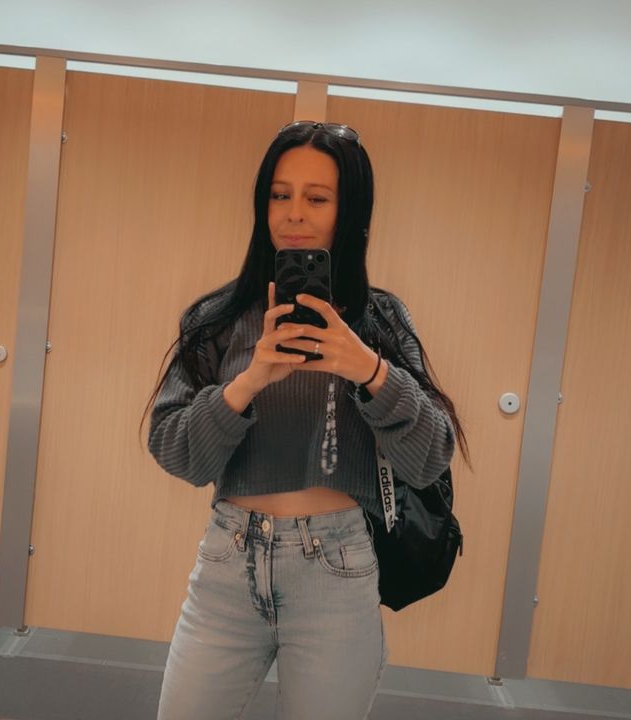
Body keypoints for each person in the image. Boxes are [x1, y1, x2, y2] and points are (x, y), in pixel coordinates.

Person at [142, 121, 468, 720]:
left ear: (351, 213)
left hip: (336, 572)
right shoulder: (216, 318)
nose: (293, 213)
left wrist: (370, 370)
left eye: (317, 198)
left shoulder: (381, 321)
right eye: (279, 194)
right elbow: (175, 452)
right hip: (227, 564)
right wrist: (248, 382)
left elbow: (430, 457)